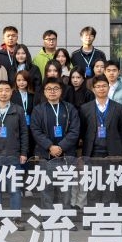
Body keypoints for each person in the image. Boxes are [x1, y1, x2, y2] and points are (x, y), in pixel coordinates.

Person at [0, 80, 29, 231]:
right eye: (0, 90)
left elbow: (24, 133)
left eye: (7, 90)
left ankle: (16, 218)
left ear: (11, 92)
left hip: (13, 155)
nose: (3, 93)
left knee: (14, 188)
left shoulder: (18, 110)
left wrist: (24, 152)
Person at [30, 77, 80, 218]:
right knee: (46, 188)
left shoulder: (70, 109)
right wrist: (50, 146)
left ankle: (65, 219)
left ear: (61, 91)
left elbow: (75, 131)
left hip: (66, 156)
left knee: (66, 190)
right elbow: (35, 130)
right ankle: (48, 218)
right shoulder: (38, 110)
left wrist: (61, 147)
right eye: (49, 89)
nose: (52, 91)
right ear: (44, 92)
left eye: (56, 88)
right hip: (45, 156)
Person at [79, 74, 122, 206]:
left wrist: (120, 150)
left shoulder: (119, 108)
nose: (101, 89)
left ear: (108, 87)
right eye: (98, 86)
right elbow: (82, 130)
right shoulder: (85, 108)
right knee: (92, 187)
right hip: (92, 153)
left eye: (104, 86)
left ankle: (107, 215)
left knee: (109, 188)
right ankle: (92, 215)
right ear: (93, 89)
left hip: (112, 153)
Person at [11, 70, 35, 157]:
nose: (21, 82)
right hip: (16, 126)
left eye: (24, 80)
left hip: (30, 126)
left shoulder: (32, 95)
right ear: (15, 81)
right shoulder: (12, 94)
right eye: (19, 80)